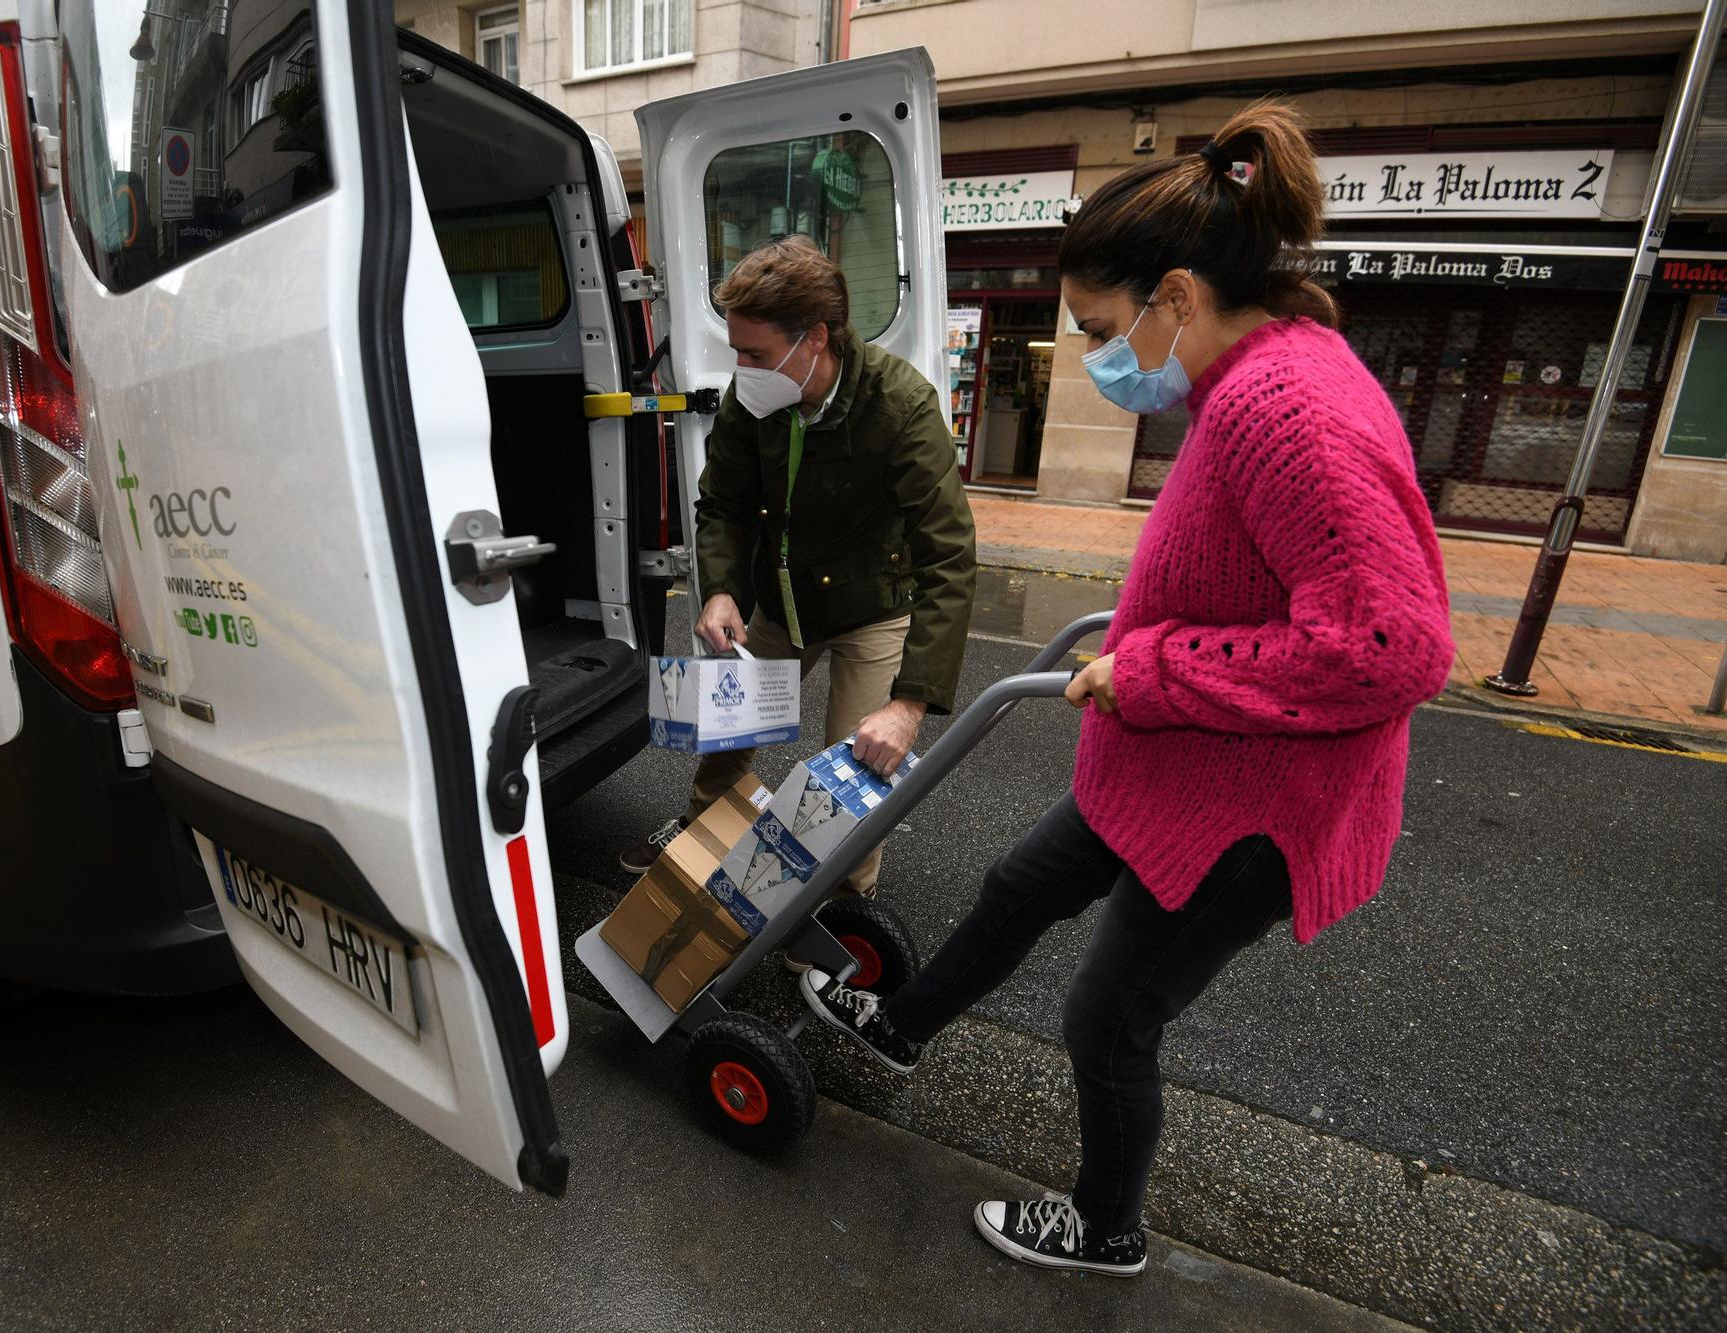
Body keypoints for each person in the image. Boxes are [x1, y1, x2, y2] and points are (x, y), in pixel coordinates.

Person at [799, 101, 1455, 1277]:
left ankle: (1107, 1229)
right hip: (1173, 759)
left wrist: (1151, 665)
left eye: (1102, 327)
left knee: (1108, 1019)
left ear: (1176, 297)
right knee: (1018, 886)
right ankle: (898, 1028)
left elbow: (1385, 647)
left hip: (1247, 801)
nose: (1100, 354)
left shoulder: (1284, 409)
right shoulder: (1251, 374)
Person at [620, 237, 976, 898]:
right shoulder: (754, 398)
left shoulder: (902, 407)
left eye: (753, 352)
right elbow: (722, 500)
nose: (739, 367)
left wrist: (908, 701)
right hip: (780, 605)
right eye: (736, 350)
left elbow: (948, 557)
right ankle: (703, 832)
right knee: (727, 733)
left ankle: (839, 913)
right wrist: (723, 589)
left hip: (872, 606)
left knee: (854, 776)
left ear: (814, 338)